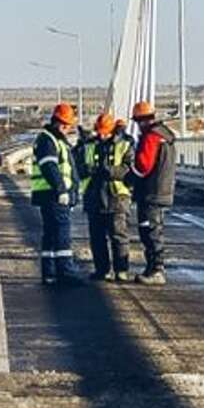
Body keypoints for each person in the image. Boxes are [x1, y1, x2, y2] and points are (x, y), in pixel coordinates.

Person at [29, 103, 84, 285]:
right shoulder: (48, 140)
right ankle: (65, 272)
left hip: (50, 194)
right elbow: (49, 166)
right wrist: (61, 189)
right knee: (62, 232)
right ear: (61, 124)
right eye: (68, 126)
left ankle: (50, 272)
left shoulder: (54, 139)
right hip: (54, 195)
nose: (69, 130)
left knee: (51, 233)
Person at [76, 112, 133, 282]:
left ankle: (121, 271)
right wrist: (89, 170)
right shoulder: (88, 146)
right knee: (97, 238)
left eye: (105, 132)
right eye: (99, 131)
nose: (101, 135)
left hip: (116, 197)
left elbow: (129, 168)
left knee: (119, 236)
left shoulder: (124, 145)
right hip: (94, 197)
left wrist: (109, 171)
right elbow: (79, 167)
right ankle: (102, 270)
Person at [129, 100, 178, 284]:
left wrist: (129, 173)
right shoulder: (165, 136)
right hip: (162, 189)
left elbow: (143, 165)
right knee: (152, 229)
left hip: (151, 191)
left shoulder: (151, 137)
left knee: (150, 230)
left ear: (141, 120)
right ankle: (152, 268)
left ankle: (156, 269)